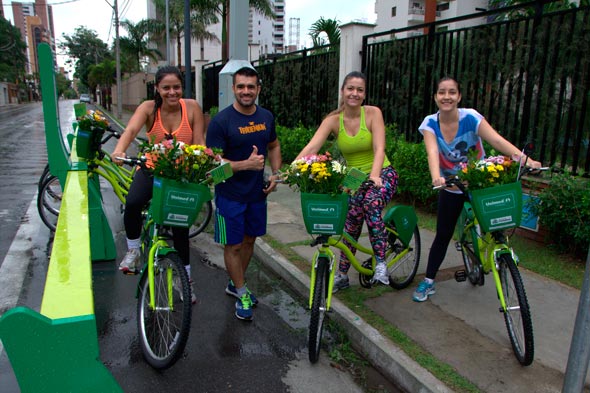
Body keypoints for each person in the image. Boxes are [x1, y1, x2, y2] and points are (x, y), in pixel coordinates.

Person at [413, 76, 542, 302]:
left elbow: (497, 141)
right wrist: (437, 177)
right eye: (442, 92)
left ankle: (503, 250)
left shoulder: (471, 117)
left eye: (452, 92)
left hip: (479, 180)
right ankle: (429, 281)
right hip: (451, 184)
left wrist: (525, 160)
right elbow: (432, 151)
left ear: (459, 96)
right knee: (443, 234)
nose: (447, 97)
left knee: (496, 218)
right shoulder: (430, 123)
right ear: (435, 97)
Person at [295, 71, 399, 292]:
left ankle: (380, 263)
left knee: (371, 203)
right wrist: (292, 169)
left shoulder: (372, 114)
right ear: (342, 92)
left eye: (359, 90)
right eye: (350, 88)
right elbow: (312, 147)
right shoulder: (333, 121)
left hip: (381, 172)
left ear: (364, 94)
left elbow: (379, 147)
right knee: (349, 221)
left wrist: (374, 175)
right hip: (354, 178)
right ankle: (342, 274)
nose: (355, 93)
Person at [111, 65, 205, 304]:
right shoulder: (149, 108)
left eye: (176, 87)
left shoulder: (192, 107)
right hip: (152, 168)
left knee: (180, 228)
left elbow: (199, 142)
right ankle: (133, 250)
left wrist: (201, 162)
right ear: (157, 88)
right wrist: (120, 150)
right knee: (133, 203)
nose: (172, 92)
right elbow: (131, 130)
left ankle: (185, 281)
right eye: (166, 87)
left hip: (180, 174)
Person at [206, 66, 282, 321]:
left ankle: (235, 283)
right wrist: (243, 165)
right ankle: (241, 290)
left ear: (258, 89)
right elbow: (211, 171)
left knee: (250, 241)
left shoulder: (266, 117)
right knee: (234, 244)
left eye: (251, 86)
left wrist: (276, 172)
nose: (246, 91)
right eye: (241, 86)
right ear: (233, 89)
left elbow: (274, 144)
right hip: (230, 196)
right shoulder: (221, 122)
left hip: (257, 194)